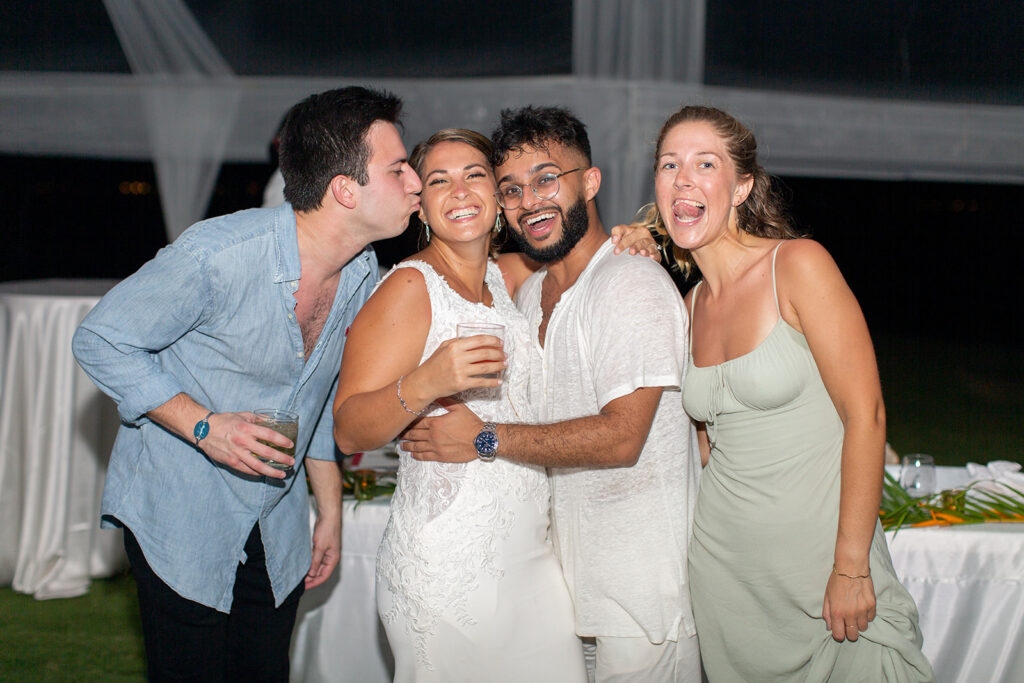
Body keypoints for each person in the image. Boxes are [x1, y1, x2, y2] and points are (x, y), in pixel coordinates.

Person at [71, 86, 422, 681]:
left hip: (277, 517)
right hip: (181, 509)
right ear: (344, 189)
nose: (416, 183)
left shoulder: (362, 271)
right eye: (399, 169)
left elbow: (316, 393)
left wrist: (329, 508)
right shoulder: (220, 254)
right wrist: (204, 425)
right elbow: (100, 339)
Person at [401, 107, 702, 682]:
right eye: (511, 188)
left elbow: (621, 438)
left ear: (589, 182)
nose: (528, 200)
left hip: (641, 601)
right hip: (563, 593)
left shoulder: (630, 282)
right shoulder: (530, 291)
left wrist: (482, 439)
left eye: (546, 179)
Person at [647, 104, 934, 681]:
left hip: (826, 570)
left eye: (706, 163)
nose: (683, 177)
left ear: (743, 185)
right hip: (728, 578)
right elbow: (705, 446)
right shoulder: (688, 306)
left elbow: (867, 415)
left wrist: (852, 567)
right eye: (669, 164)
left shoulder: (798, 266)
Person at [332, 128, 588, 682]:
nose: (461, 191)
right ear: (420, 203)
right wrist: (427, 381)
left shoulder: (507, 275)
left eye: (475, 175)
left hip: (532, 557)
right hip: (446, 561)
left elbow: (577, 254)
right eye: (439, 180)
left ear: (498, 197)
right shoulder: (407, 287)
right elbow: (349, 430)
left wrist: (633, 236)